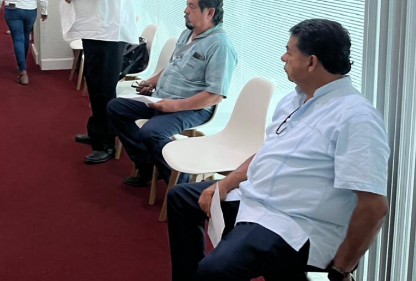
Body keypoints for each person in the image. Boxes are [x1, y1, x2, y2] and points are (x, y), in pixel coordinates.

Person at [167, 19, 390, 281]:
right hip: (257, 198)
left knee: (215, 271)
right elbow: (267, 152)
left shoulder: (356, 117)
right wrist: (225, 183)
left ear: (311, 62)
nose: (283, 57)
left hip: (295, 223)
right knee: (181, 198)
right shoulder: (294, 99)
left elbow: (374, 206)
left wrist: (341, 270)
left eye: (289, 51)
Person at [107, 0, 237, 186]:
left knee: (151, 132)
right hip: (163, 99)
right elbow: (172, 67)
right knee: (116, 107)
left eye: (192, 6)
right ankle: (147, 164)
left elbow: (215, 95)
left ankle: (180, 186)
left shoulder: (220, 45)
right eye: (187, 5)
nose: (186, 10)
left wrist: (175, 106)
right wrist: (151, 82)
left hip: (192, 108)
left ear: (210, 12)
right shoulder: (187, 34)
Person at [63, 0, 138, 164]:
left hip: (106, 31)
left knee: (102, 88)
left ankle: (106, 143)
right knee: (95, 84)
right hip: (99, 28)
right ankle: (97, 131)